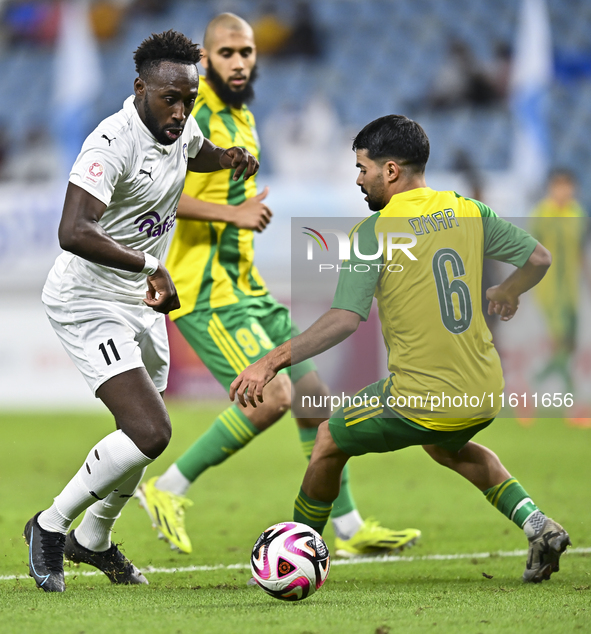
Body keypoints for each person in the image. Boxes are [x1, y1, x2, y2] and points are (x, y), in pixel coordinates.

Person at [230, 115, 572, 583]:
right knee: (448, 447)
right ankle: (537, 525)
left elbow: (344, 320)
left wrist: (269, 361)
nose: (357, 178)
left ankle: (294, 554)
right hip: (485, 390)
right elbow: (539, 258)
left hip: (422, 396)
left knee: (329, 438)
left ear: (390, 171)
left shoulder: (374, 233)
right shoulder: (467, 209)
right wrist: (509, 291)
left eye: (362, 168)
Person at [136, 13, 419, 559]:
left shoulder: (243, 118)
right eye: (226, 54)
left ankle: (349, 526)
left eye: (246, 52)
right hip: (207, 292)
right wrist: (232, 214)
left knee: (315, 400)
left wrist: (239, 217)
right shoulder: (190, 115)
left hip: (248, 286)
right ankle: (165, 489)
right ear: (206, 61)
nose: (239, 62)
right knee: (271, 399)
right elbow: (157, 191)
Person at [24, 29, 259, 593]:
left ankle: (95, 539)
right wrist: (150, 264)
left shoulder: (178, 121)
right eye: (169, 100)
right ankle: (50, 527)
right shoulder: (111, 143)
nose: (180, 113)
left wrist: (226, 158)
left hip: (139, 302)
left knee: (142, 435)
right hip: (89, 300)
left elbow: (192, 147)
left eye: (189, 101)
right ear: (140, 88)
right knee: (150, 430)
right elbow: (72, 231)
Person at [530, 169, 588, 394]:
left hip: (572, 290)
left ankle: (540, 375)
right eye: (558, 186)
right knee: (561, 337)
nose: (563, 191)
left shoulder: (578, 213)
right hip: (549, 288)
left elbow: (581, 251)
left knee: (571, 344)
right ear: (550, 188)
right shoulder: (541, 214)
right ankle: (569, 391)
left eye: (567, 186)